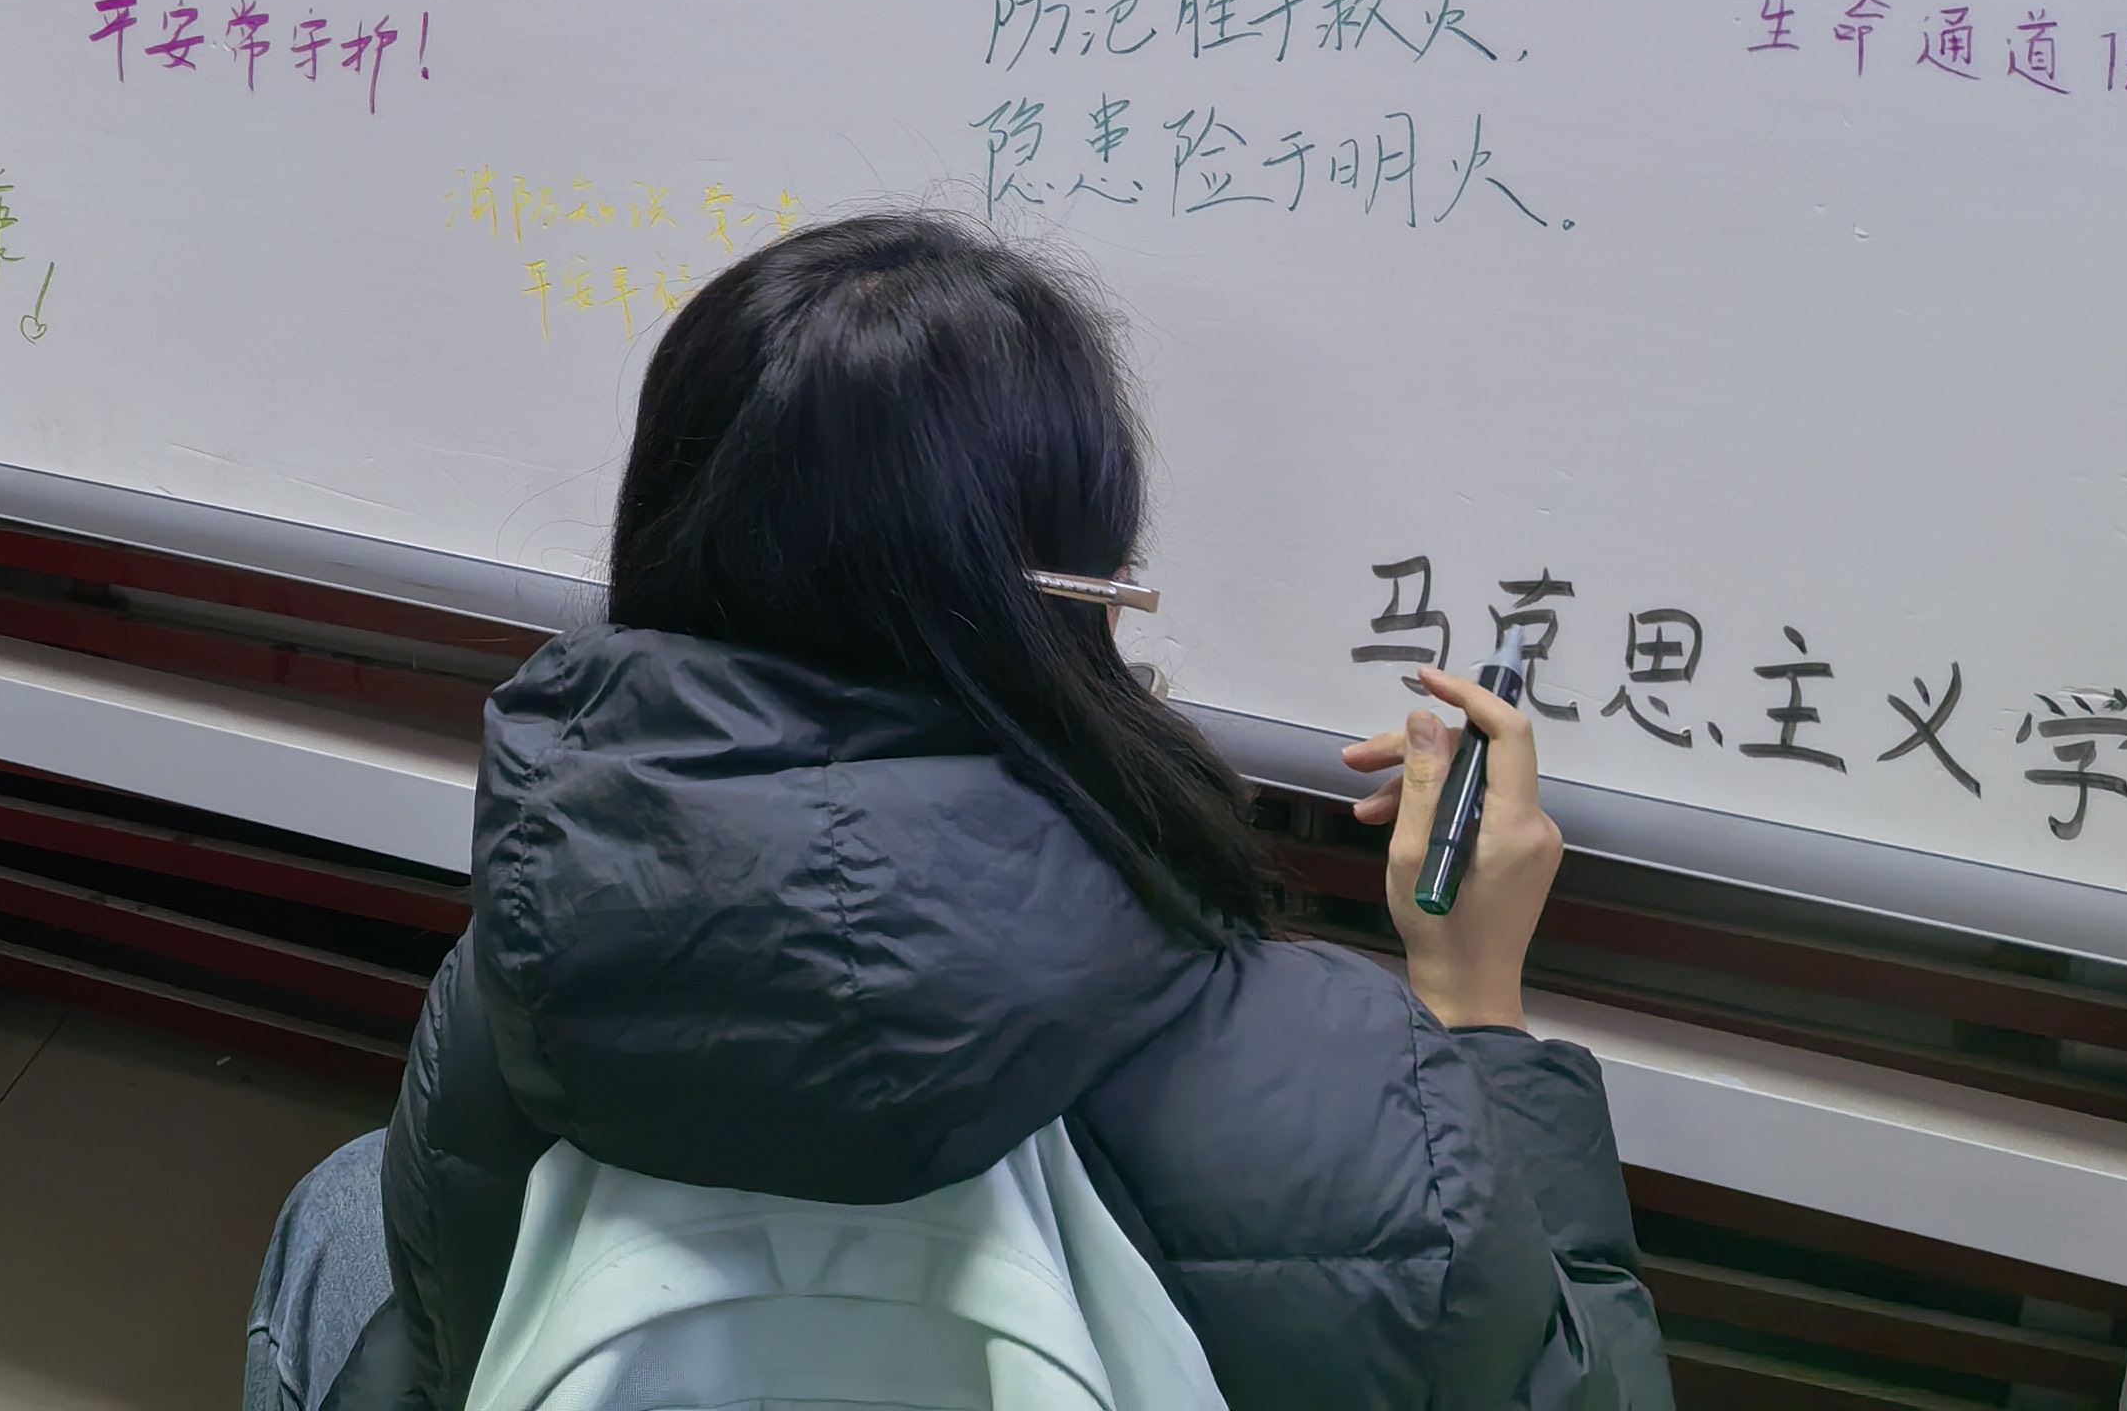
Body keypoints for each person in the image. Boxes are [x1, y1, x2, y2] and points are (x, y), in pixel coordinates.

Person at [247, 212, 1668, 1411]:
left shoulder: (509, 998)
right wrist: (1477, 1009)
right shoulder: (1356, 1084)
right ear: (1074, 595)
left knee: (353, 1207)